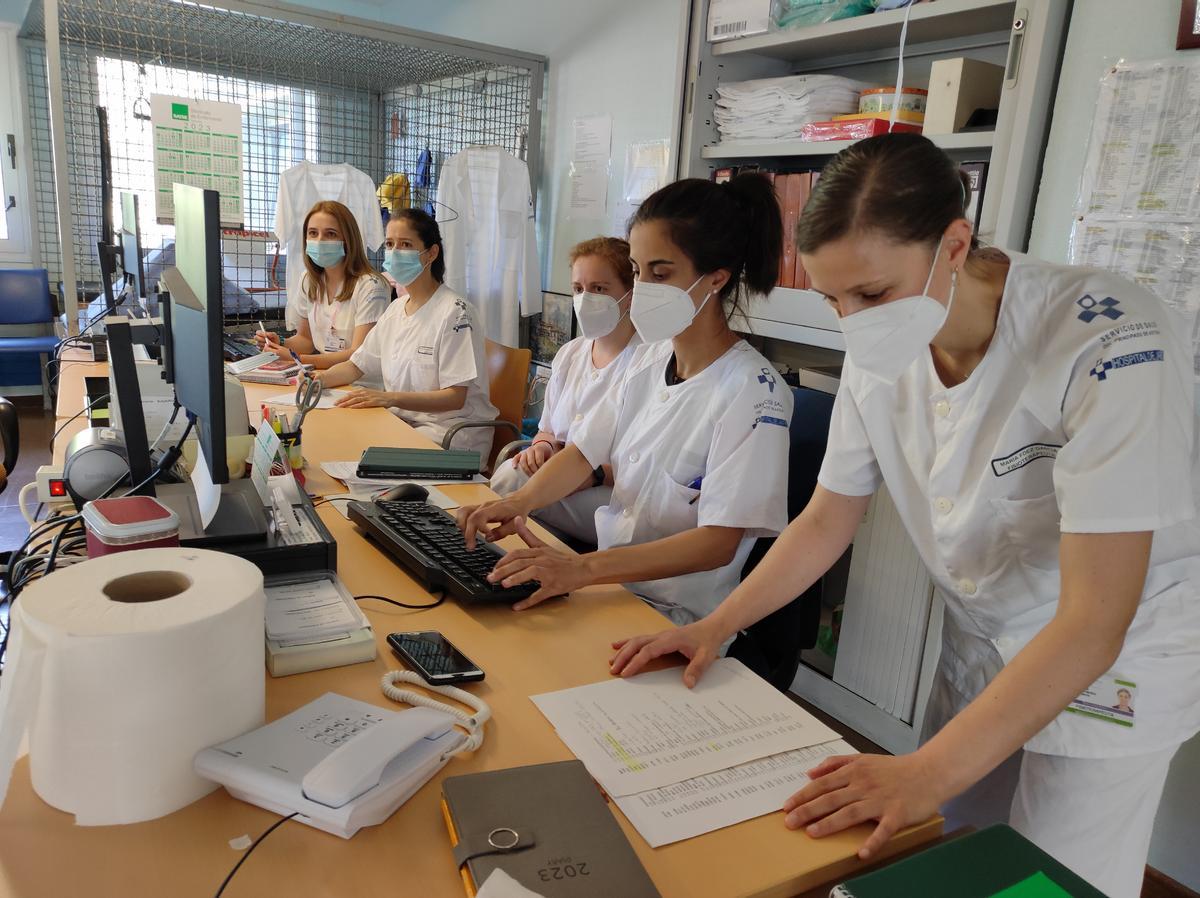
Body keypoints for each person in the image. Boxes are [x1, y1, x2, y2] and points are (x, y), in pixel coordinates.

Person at [609, 133, 1200, 898]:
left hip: (1114, 666)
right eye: (832, 298)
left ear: (955, 243)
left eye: (872, 295)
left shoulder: (1110, 340)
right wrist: (714, 626)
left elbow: (1094, 620)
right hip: (989, 642)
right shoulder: (884, 346)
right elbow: (826, 519)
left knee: (1054, 879)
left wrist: (925, 769)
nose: (853, 320)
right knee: (959, 855)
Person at [456, 174, 793, 625]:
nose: (644, 287)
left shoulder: (754, 391)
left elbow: (719, 542)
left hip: (674, 613)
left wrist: (583, 567)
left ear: (716, 278)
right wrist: (516, 504)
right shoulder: (650, 359)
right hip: (608, 586)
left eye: (661, 273)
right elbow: (581, 453)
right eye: (637, 271)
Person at [489, 237, 640, 543]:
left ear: (630, 295)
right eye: (578, 289)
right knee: (512, 474)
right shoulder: (571, 353)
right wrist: (542, 447)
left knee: (513, 487)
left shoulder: (648, 362)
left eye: (599, 288)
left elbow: (641, 462)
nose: (585, 299)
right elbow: (548, 430)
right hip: (562, 477)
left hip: (612, 494)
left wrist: (594, 476)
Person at [315, 209, 498, 460]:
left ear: (431, 253)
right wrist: (317, 381)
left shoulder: (456, 313)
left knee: (362, 457)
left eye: (406, 245)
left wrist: (388, 398)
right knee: (338, 435)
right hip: (404, 424)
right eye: (390, 244)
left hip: (451, 437)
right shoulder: (396, 310)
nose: (395, 252)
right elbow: (356, 366)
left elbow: (455, 397)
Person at [255, 200, 388, 370]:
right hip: (322, 376)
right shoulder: (309, 280)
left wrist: (297, 359)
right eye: (313, 233)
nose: (319, 241)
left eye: (330, 234)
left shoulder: (372, 286)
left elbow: (358, 354)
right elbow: (305, 340)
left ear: (348, 239)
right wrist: (280, 343)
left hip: (361, 384)